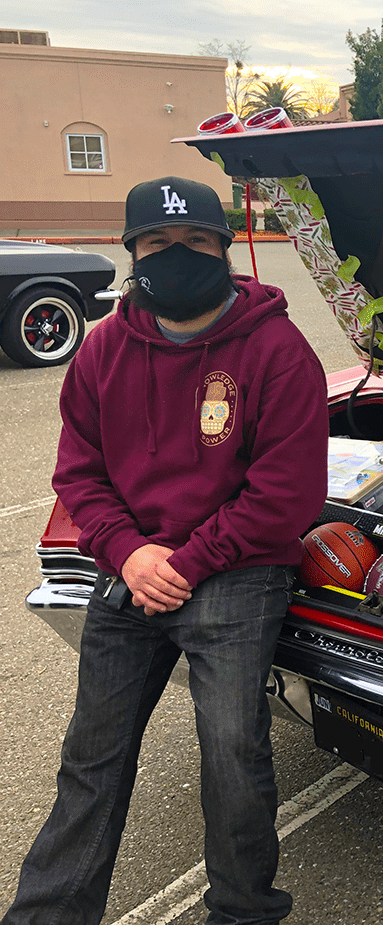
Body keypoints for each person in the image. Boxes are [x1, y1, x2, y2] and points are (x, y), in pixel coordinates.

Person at [2, 176, 329, 925]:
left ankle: (244, 912)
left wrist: (181, 562)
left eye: (194, 243)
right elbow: (77, 473)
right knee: (92, 758)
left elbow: (287, 494)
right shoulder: (103, 350)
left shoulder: (278, 351)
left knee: (231, 754)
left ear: (222, 249)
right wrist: (129, 553)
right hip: (133, 567)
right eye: (156, 244)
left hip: (238, 570)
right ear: (131, 253)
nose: (175, 257)